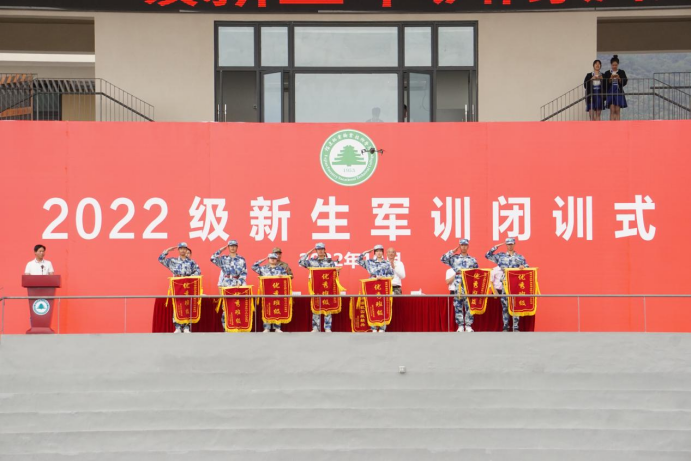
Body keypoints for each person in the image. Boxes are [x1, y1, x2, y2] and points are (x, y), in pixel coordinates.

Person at [485, 238, 529, 332]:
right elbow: (487, 255)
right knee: (505, 305)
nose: (510, 246)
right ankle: (505, 326)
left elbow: (527, 267)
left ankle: (515, 327)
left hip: (516, 283)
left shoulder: (520, 257)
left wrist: (523, 267)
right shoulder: (501, 256)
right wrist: (495, 247)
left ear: (514, 244)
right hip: (505, 283)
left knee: (516, 305)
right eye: (508, 244)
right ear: (506, 245)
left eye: (511, 244)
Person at [158, 242, 201, 333]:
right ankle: (177, 326)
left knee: (187, 305)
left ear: (186, 250)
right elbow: (160, 259)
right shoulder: (173, 261)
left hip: (187, 285)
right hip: (177, 285)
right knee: (177, 304)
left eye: (184, 248)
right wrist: (167, 251)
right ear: (178, 250)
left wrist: (189, 277)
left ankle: (186, 327)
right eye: (181, 248)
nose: (182, 250)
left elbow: (198, 271)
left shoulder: (191, 262)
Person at [299, 242, 339, 333]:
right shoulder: (312, 261)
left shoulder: (330, 262)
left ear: (325, 250)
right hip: (316, 287)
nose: (320, 251)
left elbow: (335, 274)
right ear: (316, 251)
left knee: (328, 306)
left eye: (322, 249)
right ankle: (316, 327)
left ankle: (327, 327)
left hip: (327, 287)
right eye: (318, 249)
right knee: (316, 306)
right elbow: (300, 262)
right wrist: (309, 252)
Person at [441, 239, 479, 333]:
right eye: (462, 245)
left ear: (468, 246)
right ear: (459, 246)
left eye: (465, 245)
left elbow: (476, 273)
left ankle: (468, 325)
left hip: (469, 284)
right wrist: (452, 251)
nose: (464, 247)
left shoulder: (472, 260)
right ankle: (460, 325)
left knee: (469, 305)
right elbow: (443, 259)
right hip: (458, 285)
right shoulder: (454, 258)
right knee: (458, 305)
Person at [211, 239, 248, 330]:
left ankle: (237, 326)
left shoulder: (241, 259)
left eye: (234, 246)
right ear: (228, 247)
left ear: (237, 247)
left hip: (237, 284)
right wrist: (221, 250)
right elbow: (212, 258)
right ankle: (226, 327)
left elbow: (244, 273)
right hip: (226, 284)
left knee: (237, 306)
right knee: (226, 306)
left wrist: (240, 282)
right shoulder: (224, 259)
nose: (232, 248)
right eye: (231, 246)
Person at [358, 245, 395, 333]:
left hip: (383, 287)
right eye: (377, 251)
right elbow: (358, 260)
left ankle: (382, 327)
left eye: (380, 251)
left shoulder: (387, 263)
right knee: (372, 305)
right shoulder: (369, 262)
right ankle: (373, 327)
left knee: (383, 306)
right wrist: (365, 252)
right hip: (371, 287)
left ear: (383, 252)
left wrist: (383, 277)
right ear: (374, 253)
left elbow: (392, 275)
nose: (379, 253)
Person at [252, 253, 288, 333]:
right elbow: (253, 266)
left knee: (277, 308)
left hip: (277, 293)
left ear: (277, 260)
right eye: (271, 258)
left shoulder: (281, 269)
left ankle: (277, 327)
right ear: (268, 259)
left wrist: (282, 277)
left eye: (274, 258)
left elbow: (286, 279)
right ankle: (266, 327)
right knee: (266, 309)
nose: (272, 260)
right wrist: (263, 259)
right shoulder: (263, 268)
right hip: (266, 293)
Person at [604, 55, 628, 121]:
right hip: (610, 91)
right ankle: (612, 124)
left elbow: (625, 82)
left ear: (618, 65)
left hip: (618, 91)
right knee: (612, 109)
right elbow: (605, 83)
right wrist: (610, 78)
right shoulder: (607, 73)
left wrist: (619, 78)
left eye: (616, 65)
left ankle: (618, 124)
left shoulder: (621, 72)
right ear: (611, 65)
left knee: (617, 109)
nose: (614, 66)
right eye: (613, 65)